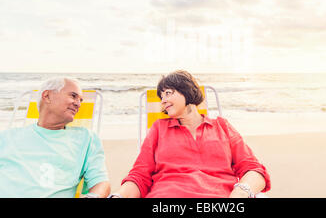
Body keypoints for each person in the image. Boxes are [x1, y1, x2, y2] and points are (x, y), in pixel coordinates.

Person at [110, 70, 270, 198]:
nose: (163, 101)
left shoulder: (222, 127)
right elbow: (140, 175)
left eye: (168, 93)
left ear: (186, 91)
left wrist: (241, 192)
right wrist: (119, 195)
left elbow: (253, 169)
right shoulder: (159, 128)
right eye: (161, 96)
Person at [0, 77, 110, 198]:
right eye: (73, 96)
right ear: (47, 96)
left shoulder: (85, 139)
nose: (78, 104)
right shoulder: (7, 137)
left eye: (80, 100)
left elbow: (101, 183)